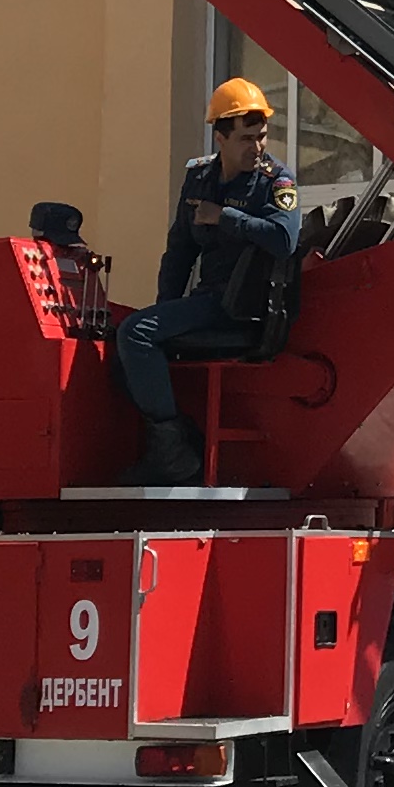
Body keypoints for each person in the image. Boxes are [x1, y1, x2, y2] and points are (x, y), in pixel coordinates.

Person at [114, 80, 297, 486]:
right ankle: (178, 440)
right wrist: (164, 310)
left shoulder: (275, 181)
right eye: (246, 138)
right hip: (208, 301)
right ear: (221, 137)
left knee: (134, 335)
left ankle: (173, 456)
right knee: (125, 342)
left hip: (244, 309)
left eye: (262, 136)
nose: (257, 147)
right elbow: (179, 251)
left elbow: (285, 240)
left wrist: (225, 217)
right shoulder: (199, 178)